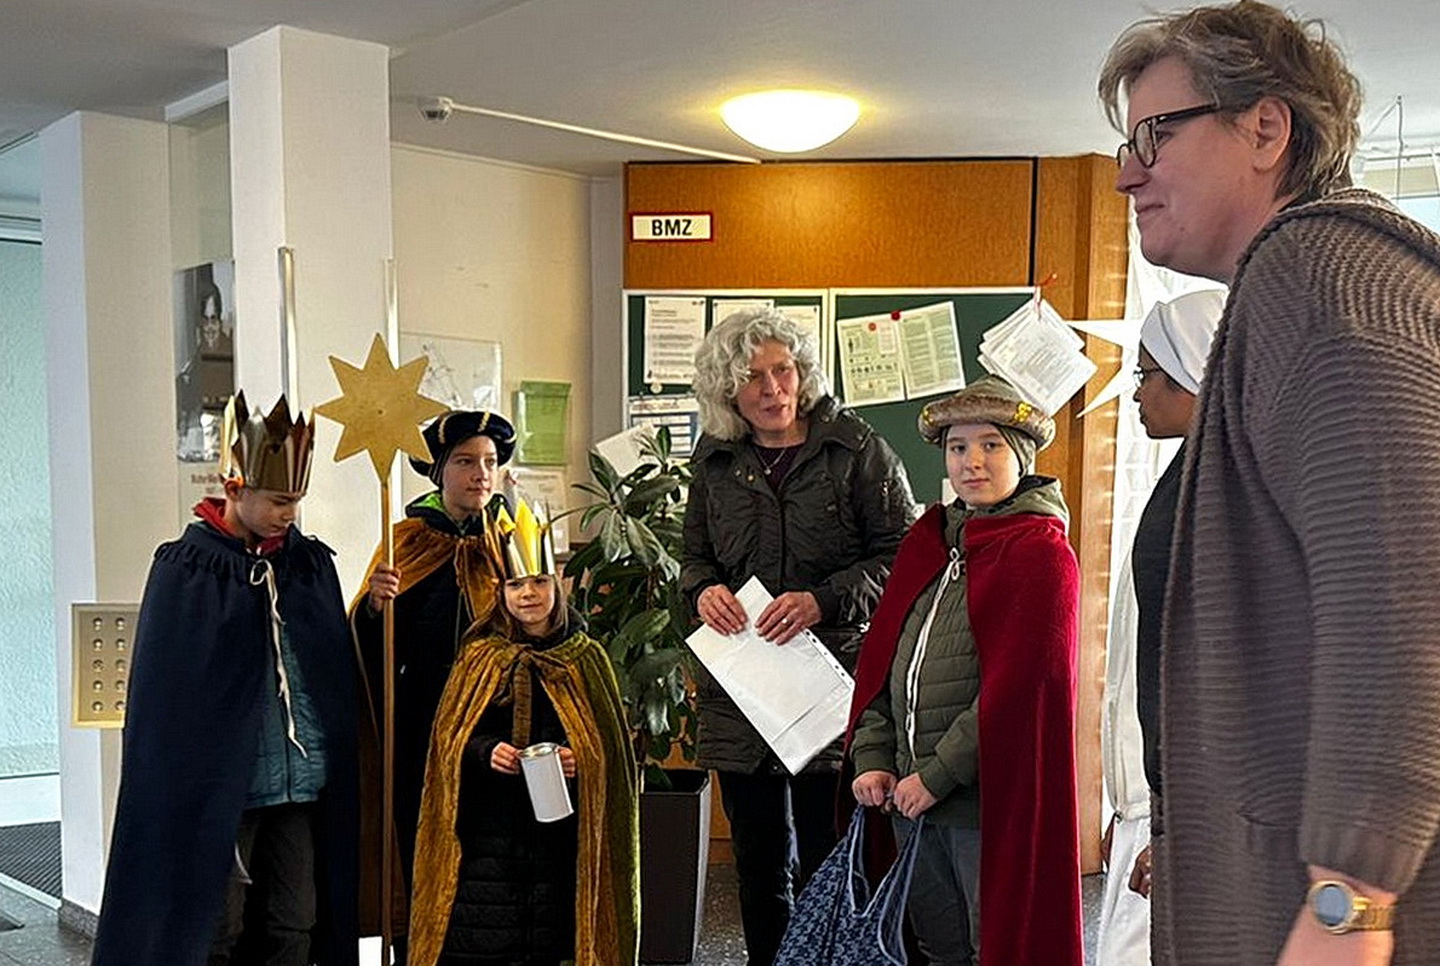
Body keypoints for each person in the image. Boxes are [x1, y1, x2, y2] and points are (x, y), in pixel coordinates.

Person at [1100, 3, 1440, 963]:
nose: (1129, 170)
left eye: (1155, 135)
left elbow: (1403, 600)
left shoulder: (1321, 277)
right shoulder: (1305, 288)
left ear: (1265, 128)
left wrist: (1351, 903)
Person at [682, 308, 916, 966]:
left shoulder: (856, 448)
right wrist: (704, 591)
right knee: (757, 866)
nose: (771, 388)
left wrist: (824, 600)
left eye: (782, 370)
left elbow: (901, 556)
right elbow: (693, 561)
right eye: (751, 376)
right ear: (727, 389)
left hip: (834, 686)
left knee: (828, 855)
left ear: (802, 374)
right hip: (742, 692)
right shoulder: (716, 460)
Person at [92, 393, 359, 966]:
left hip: (299, 784)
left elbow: (330, 672)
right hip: (222, 791)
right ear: (236, 488)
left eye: (297, 501)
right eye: (280, 500)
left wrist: (377, 612)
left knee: (296, 920)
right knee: (217, 925)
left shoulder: (307, 565)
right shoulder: (187, 571)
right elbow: (167, 703)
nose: (290, 513)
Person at [848, 375, 1084, 966]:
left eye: (990, 445)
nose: (971, 462)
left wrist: (935, 777)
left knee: (993, 947)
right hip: (907, 798)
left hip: (982, 805)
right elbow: (883, 666)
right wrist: (872, 757)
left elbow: (1018, 696)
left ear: (1021, 455)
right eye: (958, 447)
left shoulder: (1039, 554)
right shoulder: (928, 544)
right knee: (935, 946)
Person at [406, 500, 639, 966]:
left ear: (558, 585)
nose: (528, 594)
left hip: (560, 843)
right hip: (488, 841)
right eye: (516, 584)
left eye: (538, 582)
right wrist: (486, 751)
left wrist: (580, 758)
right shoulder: (479, 657)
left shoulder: (584, 658)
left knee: (551, 945)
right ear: (501, 591)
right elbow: (449, 742)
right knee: (484, 945)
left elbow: (610, 752)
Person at [352, 409, 515, 950]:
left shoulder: (512, 543)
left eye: (489, 462)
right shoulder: (407, 541)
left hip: (491, 729)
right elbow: (364, 646)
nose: (481, 474)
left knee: (487, 859)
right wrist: (374, 609)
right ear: (440, 471)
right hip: (419, 727)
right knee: (421, 849)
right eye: (466, 461)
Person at [1097, 289, 1224, 966]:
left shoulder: (1215, 489)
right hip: (1159, 800)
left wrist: (1177, 823)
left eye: (1147, 375)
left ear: (1193, 373)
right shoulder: (1186, 474)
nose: (1137, 393)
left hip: (1186, 805)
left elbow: (1206, 674)